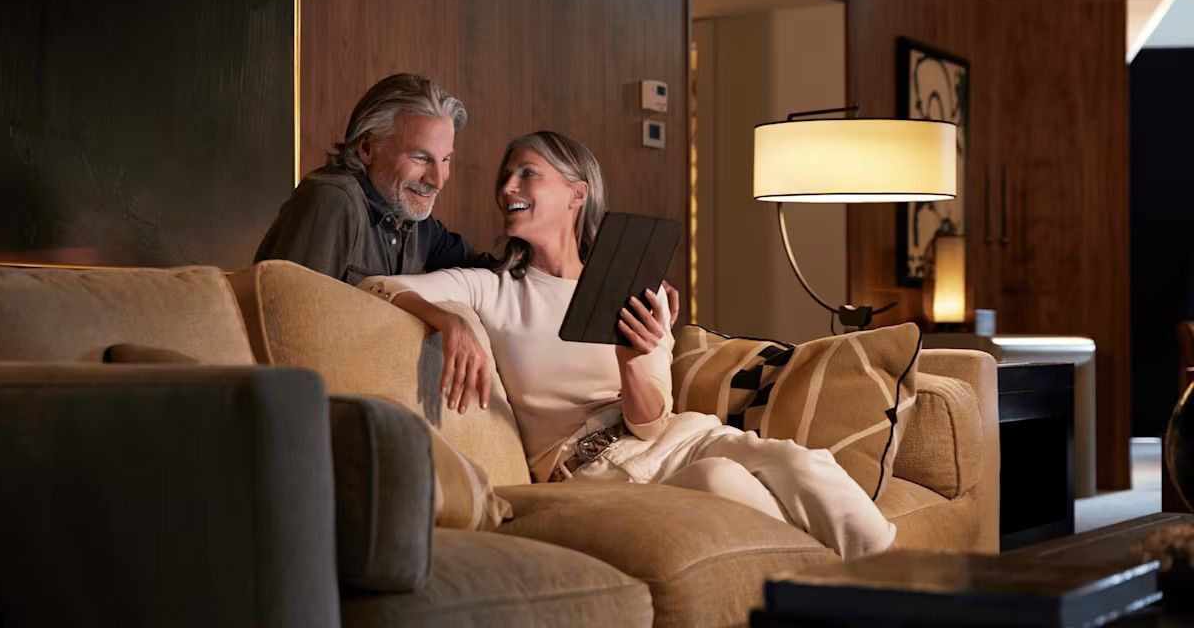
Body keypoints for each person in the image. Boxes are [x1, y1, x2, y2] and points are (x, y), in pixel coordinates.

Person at [358, 131, 896, 560]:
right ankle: (824, 595)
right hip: (590, 469)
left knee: (803, 464)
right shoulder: (489, 287)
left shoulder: (636, 290)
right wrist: (449, 323)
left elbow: (652, 423)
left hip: (675, 438)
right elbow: (375, 285)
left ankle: (905, 588)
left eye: (527, 173)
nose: (507, 187)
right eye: (506, 176)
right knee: (722, 481)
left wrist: (633, 361)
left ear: (577, 193)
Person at [254, 73, 490, 283]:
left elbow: (490, 272)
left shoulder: (413, 220)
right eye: (421, 158)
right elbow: (291, 314)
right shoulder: (334, 200)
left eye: (445, 159)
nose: (437, 181)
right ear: (367, 148)